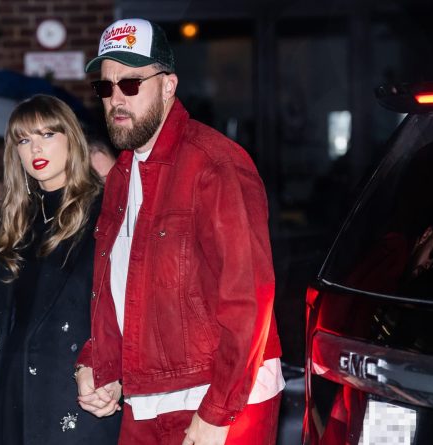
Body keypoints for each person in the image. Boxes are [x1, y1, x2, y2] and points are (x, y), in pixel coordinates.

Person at [75, 18, 284, 445]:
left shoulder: (216, 164)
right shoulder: (120, 175)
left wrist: (218, 411)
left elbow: (249, 298)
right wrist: (99, 365)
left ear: (168, 86)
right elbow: (116, 287)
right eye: (105, 87)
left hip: (217, 396)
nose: (116, 98)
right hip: (145, 396)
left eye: (130, 84)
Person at [0, 94, 120, 445]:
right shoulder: (12, 220)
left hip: (76, 390)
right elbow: (1, 320)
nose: (35, 148)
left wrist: (114, 373)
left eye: (47, 134)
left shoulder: (106, 210)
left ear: (71, 138)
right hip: (12, 387)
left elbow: (124, 305)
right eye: (23, 140)